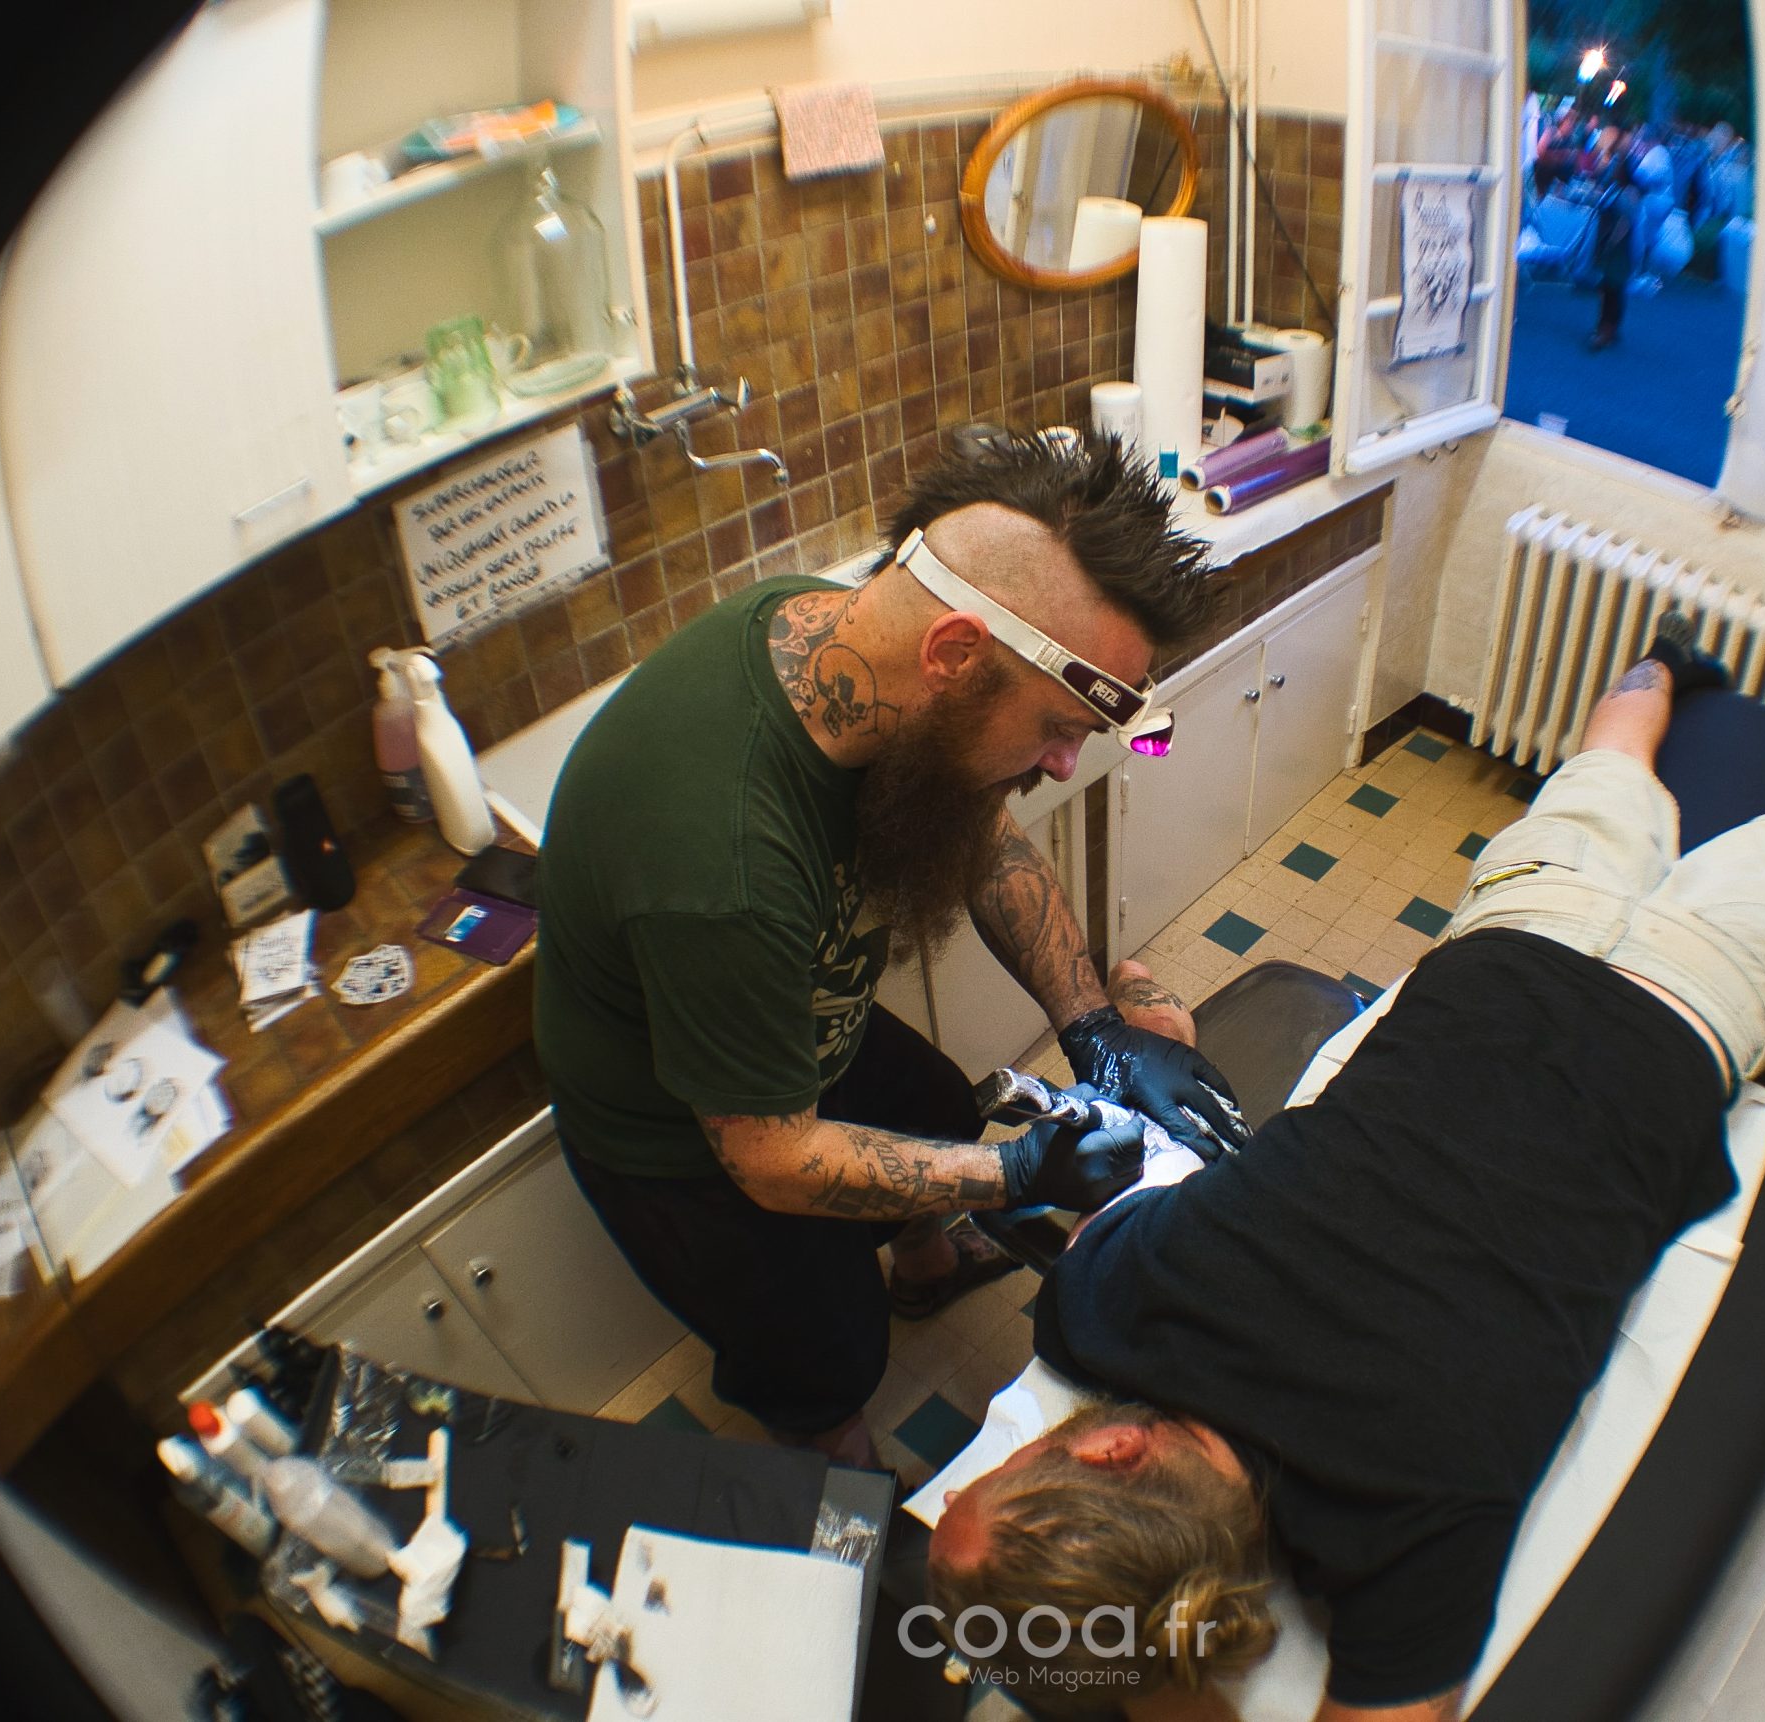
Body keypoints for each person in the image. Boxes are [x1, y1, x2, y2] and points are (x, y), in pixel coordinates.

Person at [927, 619, 1765, 1719]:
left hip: (1676, 1022)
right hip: (1517, 954)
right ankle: (1671, 663)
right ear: (1107, 1449)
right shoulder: (1115, 1305)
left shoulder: (1408, 1535)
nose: (979, 1476)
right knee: (1612, 763)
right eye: (999, 1479)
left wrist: (1146, 1668)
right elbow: (1105, 1228)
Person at [533, 433, 1251, 1470]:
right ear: (954, 654)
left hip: (796, 1021)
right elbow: (772, 1159)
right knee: (824, 1349)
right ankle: (848, 1491)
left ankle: (925, 1268)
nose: (1064, 764)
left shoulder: (860, 643)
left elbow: (983, 834)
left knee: (935, 1105)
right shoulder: (722, 866)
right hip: (682, 1137)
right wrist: (1012, 1173)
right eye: (1058, 725)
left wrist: (1092, 1025)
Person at [1588, 149, 1643, 349]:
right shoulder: (1618, 190)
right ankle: (1609, 327)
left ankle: (1606, 330)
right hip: (1612, 248)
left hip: (1618, 251)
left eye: (1616, 167)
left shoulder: (1628, 194)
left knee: (1613, 289)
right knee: (1610, 289)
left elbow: (1625, 223)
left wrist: (1611, 243)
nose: (1612, 170)